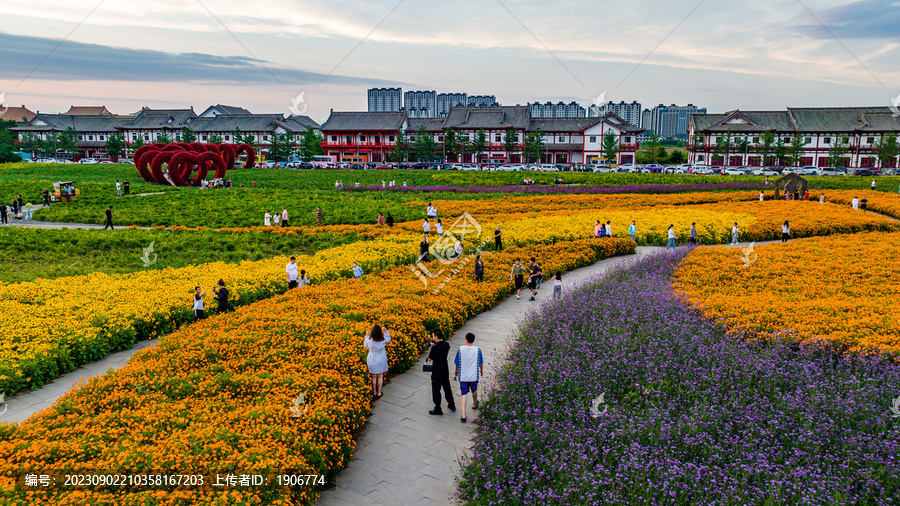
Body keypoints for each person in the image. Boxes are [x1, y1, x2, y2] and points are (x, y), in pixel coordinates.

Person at [454, 332, 484, 423]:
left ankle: (463, 415)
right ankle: (474, 403)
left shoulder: (460, 350)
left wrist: (456, 370)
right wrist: (481, 370)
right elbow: (480, 362)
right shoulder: (477, 350)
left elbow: (457, 363)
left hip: (463, 376)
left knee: (464, 394)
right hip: (474, 375)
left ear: (466, 340)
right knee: (474, 390)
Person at [425, 329, 455, 416]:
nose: (432, 337)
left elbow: (430, 358)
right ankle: (451, 404)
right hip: (445, 369)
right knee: (447, 388)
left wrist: (432, 348)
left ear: (436, 337)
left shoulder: (435, 348)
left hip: (437, 371)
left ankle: (438, 408)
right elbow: (441, 350)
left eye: (433, 336)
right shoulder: (446, 344)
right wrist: (434, 346)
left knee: (436, 390)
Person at [363, 324, 391, 399]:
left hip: (372, 358)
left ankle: (374, 392)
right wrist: (386, 331)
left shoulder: (369, 340)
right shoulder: (383, 339)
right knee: (380, 376)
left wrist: (366, 335)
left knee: (374, 376)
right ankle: (379, 392)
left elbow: (365, 345)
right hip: (381, 359)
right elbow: (388, 338)